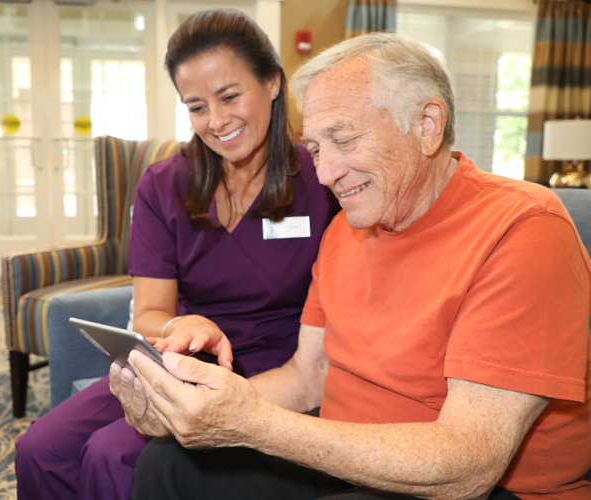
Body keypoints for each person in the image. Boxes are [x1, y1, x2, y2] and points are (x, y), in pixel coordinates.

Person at [112, 32, 591, 500]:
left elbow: (469, 464)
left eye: (343, 139)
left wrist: (252, 424)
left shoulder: (523, 227)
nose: (325, 173)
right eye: (317, 148)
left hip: (470, 483)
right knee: (168, 464)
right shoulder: (346, 229)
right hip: (343, 452)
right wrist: (195, 409)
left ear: (427, 124)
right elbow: (307, 376)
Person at [14, 9, 339, 500]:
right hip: (178, 359)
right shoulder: (164, 185)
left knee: (113, 456)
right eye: (197, 106)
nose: (218, 121)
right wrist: (176, 330)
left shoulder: (322, 180)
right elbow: (150, 312)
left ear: (273, 83)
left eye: (230, 96)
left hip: (276, 364)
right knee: (39, 447)